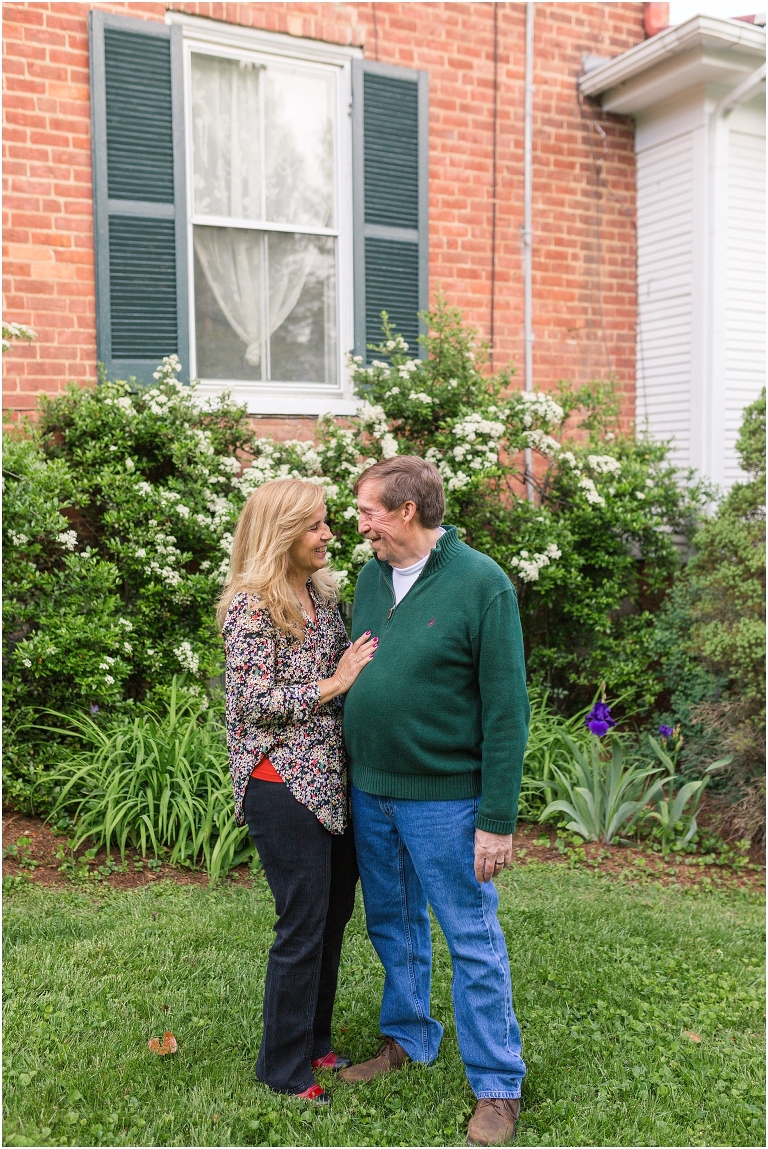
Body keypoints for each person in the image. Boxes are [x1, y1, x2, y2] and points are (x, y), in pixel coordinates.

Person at [339, 456, 530, 1147]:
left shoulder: (482, 584)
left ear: (408, 510)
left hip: (446, 800)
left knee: (471, 937)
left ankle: (498, 1084)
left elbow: (509, 711)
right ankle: (409, 1038)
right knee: (393, 923)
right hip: (372, 790)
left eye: (368, 512)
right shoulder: (370, 575)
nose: (358, 525)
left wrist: (496, 820)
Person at [218, 478, 377, 1104]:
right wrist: (334, 685)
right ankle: (281, 1067)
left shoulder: (317, 594)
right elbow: (251, 703)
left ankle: (313, 1040)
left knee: (333, 916)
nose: (329, 535)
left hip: (331, 778)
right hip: (280, 782)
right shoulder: (250, 606)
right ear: (282, 532)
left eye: (328, 522)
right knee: (303, 923)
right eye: (315, 525)